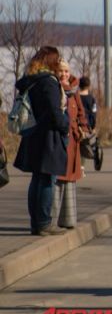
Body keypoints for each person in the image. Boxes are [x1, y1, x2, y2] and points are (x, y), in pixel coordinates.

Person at [13, 46, 70, 236]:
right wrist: (65, 125)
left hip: (33, 134)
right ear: (52, 62)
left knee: (37, 179)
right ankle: (44, 223)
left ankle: (35, 223)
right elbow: (55, 112)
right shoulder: (49, 82)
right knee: (47, 178)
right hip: (48, 138)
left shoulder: (32, 81)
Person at [52, 59, 89, 230]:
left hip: (74, 140)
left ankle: (68, 220)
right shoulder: (53, 88)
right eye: (61, 71)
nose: (64, 74)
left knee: (70, 180)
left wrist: (83, 128)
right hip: (60, 139)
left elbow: (81, 112)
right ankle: (51, 220)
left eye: (66, 71)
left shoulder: (74, 91)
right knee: (58, 178)